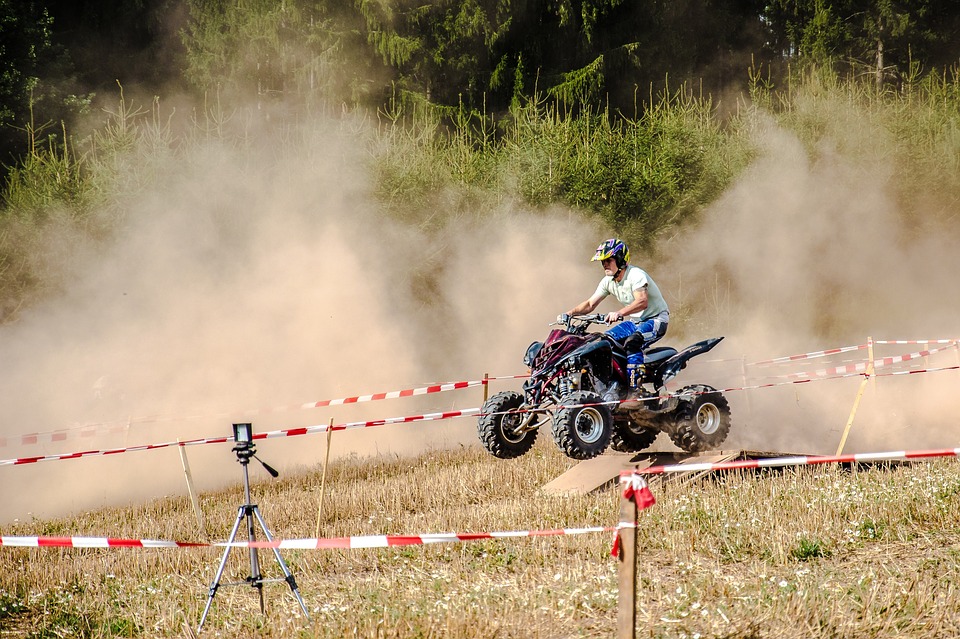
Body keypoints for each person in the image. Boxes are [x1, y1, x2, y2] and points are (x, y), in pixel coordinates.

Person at [562, 238, 669, 396]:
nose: (604, 264)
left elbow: (642, 301)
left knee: (633, 342)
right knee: (604, 342)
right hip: (635, 322)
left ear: (620, 259)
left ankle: (635, 390)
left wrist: (619, 313)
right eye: (603, 261)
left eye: (608, 260)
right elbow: (590, 304)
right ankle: (612, 386)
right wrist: (569, 313)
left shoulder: (636, 275)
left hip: (656, 320)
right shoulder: (608, 281)